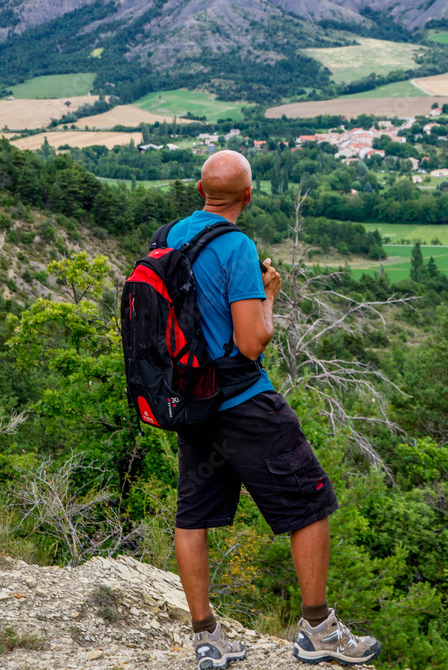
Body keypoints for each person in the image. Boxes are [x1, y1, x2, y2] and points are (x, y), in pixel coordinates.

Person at [167, 151, 382, 669]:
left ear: (200, 191)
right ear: (247, 197)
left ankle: (206, 637)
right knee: (311, 504)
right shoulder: (235, 244)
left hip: (193, 401)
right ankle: (318, 631)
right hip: (244, 402)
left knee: (192, 516)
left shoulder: (169, 236)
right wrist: (267, 297)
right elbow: (251, 340)